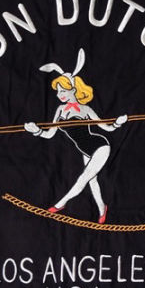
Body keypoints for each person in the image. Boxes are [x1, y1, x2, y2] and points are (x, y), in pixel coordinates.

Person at [25, 48, 127, 224]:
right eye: (58, 92)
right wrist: (36, 130)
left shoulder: (86, 109)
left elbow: (107, 128)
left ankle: (60, 204)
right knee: (92, 181)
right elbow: (50, 134)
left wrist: (118, 122)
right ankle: (102, 208)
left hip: (100, 146)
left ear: (72, 89)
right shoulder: (60, 110)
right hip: (85, 150)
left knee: (83, 178)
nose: (59, 95)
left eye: (62, 91)